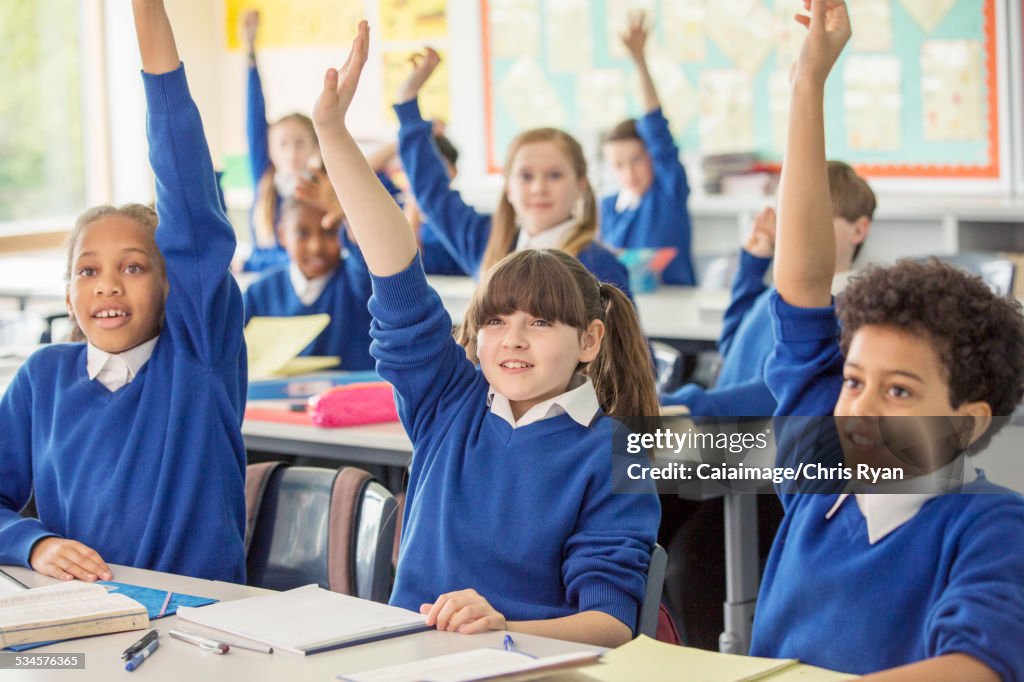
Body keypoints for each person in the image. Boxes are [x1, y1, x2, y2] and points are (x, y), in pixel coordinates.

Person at [312, 22, 660, 647]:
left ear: (590, 340)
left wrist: (503, 625)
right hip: (407, 659)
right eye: (495, 322)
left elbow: (610, 625)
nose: (514, 340)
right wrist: (333, 134)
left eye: (541, 322)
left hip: (526, 663)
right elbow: (394, 266)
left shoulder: (614, 452)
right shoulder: (450, 400)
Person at [751, 2, 1024, 679]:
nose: (863, 408)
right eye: (854, 380)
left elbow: (973, 667)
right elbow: (805, 282)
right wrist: (807, 84)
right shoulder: (819, 475)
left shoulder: (992, 527)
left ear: (964, 423)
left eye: (900, 390)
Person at [0, 0, 247, 583]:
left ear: (172, 287)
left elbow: (189, 204)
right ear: (67, 296)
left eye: (134, 267)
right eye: (87, 271)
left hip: (204, 626)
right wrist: (32, 544)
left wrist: (147, 21)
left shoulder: (197, 359)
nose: (107, 283)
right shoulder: (44, 378)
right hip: (84, 622)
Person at [393, 48, 631, 295]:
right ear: (508, 187)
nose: (539, 188)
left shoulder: (599, 266)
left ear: (581, 184)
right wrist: (407, 101)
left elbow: (623, 335)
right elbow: (433, 194)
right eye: (526, 176)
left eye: (554, 175)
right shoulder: (488, 242)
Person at [601, 11, 695, 285]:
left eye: (637, 159)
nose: (629, 171)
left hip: (676, 313)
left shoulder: (668, 192)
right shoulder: (609, 207)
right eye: (619, 164)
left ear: (652, 157)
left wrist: (640, 61)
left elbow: (656, 126)